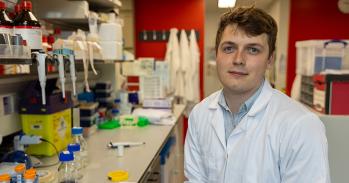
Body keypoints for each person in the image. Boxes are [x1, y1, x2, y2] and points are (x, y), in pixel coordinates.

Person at [184, 6, 330, 183]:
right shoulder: (199, 115)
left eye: (252, 50)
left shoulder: (301, 126)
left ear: (270, 60)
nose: (238, 59)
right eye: (229, 48)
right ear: (217, 54)